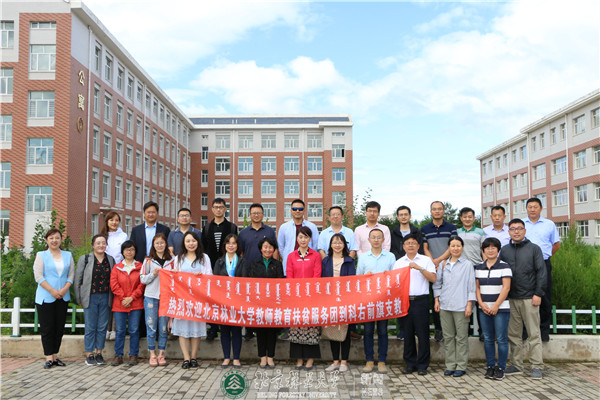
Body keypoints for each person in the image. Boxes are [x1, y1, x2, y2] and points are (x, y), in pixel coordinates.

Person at [500, 218, 546, 380]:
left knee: (534, 333)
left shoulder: (534, 249)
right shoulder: (504, 250)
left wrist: (538, 293)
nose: (516, 231)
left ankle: (536, 366)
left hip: (530, 297)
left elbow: (541, 272)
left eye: (519, 228)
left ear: (525, 231)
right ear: (509, 232)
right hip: (511, 298)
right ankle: (516, 365)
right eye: (513, 229)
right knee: (514, 334)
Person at [393, 234, 437, 376]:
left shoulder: (425, 260)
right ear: (404, 246)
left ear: (418, 246)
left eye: (413, 243)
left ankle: (423, 365)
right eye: (408, 243)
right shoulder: (399, 262)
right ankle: (410, 363)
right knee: (407, 333)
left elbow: (433, 278)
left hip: (421, 301)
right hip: (405, 301)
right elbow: (394, 283)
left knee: (423, 334)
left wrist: (420, 268)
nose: (411, 245)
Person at [433, 236, 476, 378]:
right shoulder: (443, 264)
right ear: (449, 248)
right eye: (453, 246)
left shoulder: (467, 265)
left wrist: (469, 304)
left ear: (462, 247)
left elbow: (471, 286)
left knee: (461, 337)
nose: (455, 248)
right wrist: (437, 300)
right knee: (448, 337)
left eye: (458, 245)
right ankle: (450, 365)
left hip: (461, 306)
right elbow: (437, 284)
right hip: (445, 305)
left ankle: (461, 366)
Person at [356, 228, 396, 374]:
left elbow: (395, 278)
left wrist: (389, 276)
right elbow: (358, 279)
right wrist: (365, 276)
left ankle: (382, 361)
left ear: (383, 240)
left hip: (384, 300)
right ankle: (369, 360)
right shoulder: (363, 257)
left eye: (379, 237)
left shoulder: (390, 256)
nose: (376, 240)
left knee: (383, 331)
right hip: (368, 300)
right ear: (369, 240)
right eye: (373, 237)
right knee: (368, 331)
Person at [34, 229, 74, 369]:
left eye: (57, 238)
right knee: (47, 328)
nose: (54, 240)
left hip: (63, 296)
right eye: (51, 238)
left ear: (61, 239)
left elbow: (71, 275)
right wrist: (52, 290)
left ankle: (55, 356)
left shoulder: (68, 255)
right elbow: (38, 276)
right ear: (46, 240)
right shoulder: (41, 255)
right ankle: (48, 357)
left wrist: (64, 289)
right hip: (46, 296)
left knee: (59, 328)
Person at [171, 231, 212, 369]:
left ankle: (194, 357)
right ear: (184, 243)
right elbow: (174, 278)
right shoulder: (178, 258)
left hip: (198, 299)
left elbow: (210, 276)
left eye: (193, 241)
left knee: (196, 328)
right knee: (183, 329)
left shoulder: (204, 258)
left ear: (198, 242)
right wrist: (174, 275)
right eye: (188, 241)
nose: (191, 244)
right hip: (182, 300)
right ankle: (186, 358)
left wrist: (202, 276)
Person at [74, 234, 116, 366]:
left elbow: (113, 279)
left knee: (102, 326)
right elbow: (78, 279)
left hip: (105, 296)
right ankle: (89, 354)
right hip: (90, 296)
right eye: (98, 243)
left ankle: (99, 353)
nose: (101, 245)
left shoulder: (110, 259)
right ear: (93, 245)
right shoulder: (85, 259)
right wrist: (79, 297)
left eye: (103, 243)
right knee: (90, 326)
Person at [238, 203, 277, 340]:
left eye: (259, 213)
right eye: (254, 213)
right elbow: (241, 253)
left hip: (267, 272)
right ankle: (249, 330)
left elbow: (274, 250)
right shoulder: (243, 233)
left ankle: (269, 328)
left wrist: (275, 267)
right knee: (250, 302)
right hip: (249, 272)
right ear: (249, 215)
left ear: (263, 215)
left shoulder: (270, 231)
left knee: (266, 302)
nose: (256, 215)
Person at [523, 197, 561, 342]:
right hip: (524, 265)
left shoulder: (549, 224)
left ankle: (544, 331)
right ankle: (525, 331)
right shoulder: (521, 224)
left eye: (535, 207)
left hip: (543, 264)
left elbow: (556, 244)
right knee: (525, 297)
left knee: (544, 296)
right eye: (530, 207)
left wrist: (545, 257)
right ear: (526, 209)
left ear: (541, 208)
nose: (532, 209)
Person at [476, 237, 512, 381]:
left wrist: (496, 305)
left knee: (501, 339)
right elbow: (477, 288)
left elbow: (506, 288)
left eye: (493, 248)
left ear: (498, 250)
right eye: (487, 248)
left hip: (501, 309)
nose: (490, 250)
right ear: (483, 250)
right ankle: (490, 366)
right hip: (484, 309)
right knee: (488, 339)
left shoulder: (505, 266)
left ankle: (501, 368)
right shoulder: (479, 267)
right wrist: (481, 304)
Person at [245, 237, 285, 368]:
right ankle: (262, 356)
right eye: (265, 247)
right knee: (261, 330)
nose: (268, 250)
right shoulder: (254, 263)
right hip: (259, 303)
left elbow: (280, 283)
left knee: (272, 331)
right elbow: (251, 283)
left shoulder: (277, 264)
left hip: (273, 303)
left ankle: (271, 357)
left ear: (274, 249)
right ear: (261, 249)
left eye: (270, 247)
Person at [286, 227, 322, 370]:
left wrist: (308, 293)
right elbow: (289, 276)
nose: (303, 240)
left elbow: (317, 275)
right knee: (296, 328)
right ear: (297, 239)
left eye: (306, 237)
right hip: (296, 297)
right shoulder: (291, 256)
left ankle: (310, 359)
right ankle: (299, 359)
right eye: (300, 237)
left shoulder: (315, 255)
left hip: (311, 297)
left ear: (310, 239)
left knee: (311, 328)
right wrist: (295, 293)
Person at [201, 198, 237, 341]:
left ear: (225, 209)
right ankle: (213, 327)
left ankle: (227, 326)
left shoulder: (232, 227)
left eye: (221, 207)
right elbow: (203, 249)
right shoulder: (207, 228)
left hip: (228, 268)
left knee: (227, 298)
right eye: (216, 207)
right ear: (212, 209)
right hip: (211, 268)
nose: (218, 209)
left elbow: (235, 246)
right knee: (212, 299)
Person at [421, 201, 457, 342]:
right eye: (434, 209)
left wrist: (440, 261)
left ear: (443, 211)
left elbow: (452, 246)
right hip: (432, 268)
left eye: (439, 209)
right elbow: (425, 247)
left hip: (448, 266)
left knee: (448, 297)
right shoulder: (425, 229)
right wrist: (432, 263)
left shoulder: (451, 227)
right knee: (434, 298)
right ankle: (438, 329)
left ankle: (450, 329)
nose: (437, 211)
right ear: (430, 211)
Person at [322, 233, 356, 373]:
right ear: (330, 245)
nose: (337, 245)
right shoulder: (326, 261)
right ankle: (335, 361)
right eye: (334, 242)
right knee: (332, 330)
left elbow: (352, 281)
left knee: (344, 330)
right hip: (329, 299)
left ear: (344, 245)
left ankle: (344, 361)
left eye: (340, 242)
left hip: (344, 299)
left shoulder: (349, 261)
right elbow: (322, 280)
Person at [389, 205, 424, 340]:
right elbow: (392, 249)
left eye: (406, 214)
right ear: (397, 217)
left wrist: (412, 260)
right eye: (401, 214)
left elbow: (420, 248)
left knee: (415, 298)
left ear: (410, 216)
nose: (403, 217)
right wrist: (402, 261)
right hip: (400, 267)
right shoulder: (393, 232)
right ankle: (402, 330)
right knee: (401, 298)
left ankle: (416, 331)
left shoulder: (417, 232)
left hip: (415, 266)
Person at [140, 233, 174, 367]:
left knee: (163, 328)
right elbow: (142, 279)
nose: (160, 245)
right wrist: (152, 274)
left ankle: (161, 353)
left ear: (166, 244)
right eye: (157, 243)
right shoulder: (148, 261)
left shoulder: (172, 260)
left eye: (162, 243)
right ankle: (152, 354)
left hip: (166, 297)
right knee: (151, 326)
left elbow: (178, 278)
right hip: (151, 297)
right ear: (153, 245)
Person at [213, 234, 246, 368]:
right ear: (224, 245)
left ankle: (236, 358)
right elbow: (215, 282)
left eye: (233, 243)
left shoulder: (242, 261)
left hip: (237, 300)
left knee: (236, 330)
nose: (231, 246)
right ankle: (226, 357)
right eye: (228, 243)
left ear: (237, 246)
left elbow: (245, 281)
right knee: (225, 330)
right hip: (223, 301)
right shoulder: (219, 262)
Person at [110, 241, 145, 366]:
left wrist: (132, 297)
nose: (129, 252)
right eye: (126, 250)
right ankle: (118, 355)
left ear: (135, 251)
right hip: (120, 303)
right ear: (123, 252)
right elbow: (114, 285)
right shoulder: (117, 267)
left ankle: (133, 354)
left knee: (134, 330)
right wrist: (123, 298)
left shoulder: (140, 266)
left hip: (136, 303)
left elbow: (142, 284)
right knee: (120, 330)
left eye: (132, 249)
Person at [101, 211, 127, 340]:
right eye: (111, 220)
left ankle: (115, 329)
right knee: (107, 301)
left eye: (116, 220)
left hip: (119, 271)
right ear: (107, 222)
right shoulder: (102, 236)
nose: (114, 222)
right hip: (104, 272)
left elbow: (125, 254)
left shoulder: (123, 236)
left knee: (118, 300)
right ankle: (106, 329)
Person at [277, 199, 319, 272]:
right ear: (291, 210)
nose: (297, 211)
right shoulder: (284, 227)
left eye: (300, 209)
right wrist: (287, 257)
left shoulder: (312, 227)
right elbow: (281, 247)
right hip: (289, 266)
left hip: (308, 266)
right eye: (294, 209)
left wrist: (311, 259)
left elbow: (315, 245)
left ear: (304, 210)